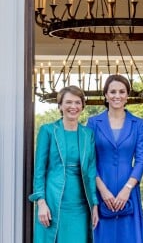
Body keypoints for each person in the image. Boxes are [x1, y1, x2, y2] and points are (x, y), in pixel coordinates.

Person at [29, 86, 99, 243]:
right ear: (60, 105)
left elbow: (91, 171)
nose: (73, 106)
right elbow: (39, 170)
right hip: (53, 203)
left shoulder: (88, 134)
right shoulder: (47, 131)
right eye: (68, 102)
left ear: (82, 106)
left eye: (77, 102)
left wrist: (94, 203)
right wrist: (41, 202)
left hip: (81, 206)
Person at [87, 74, 143, 243]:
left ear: (127, 95)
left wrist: (127, 189)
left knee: (128, 236)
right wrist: (103, 192)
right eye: (112, 91)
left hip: (128, 189)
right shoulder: (93, 123)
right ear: (106, 95)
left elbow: (141, 159)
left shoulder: (138, 123)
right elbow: (89, 161)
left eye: (122, 91)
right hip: (100, 188)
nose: (117, 96)